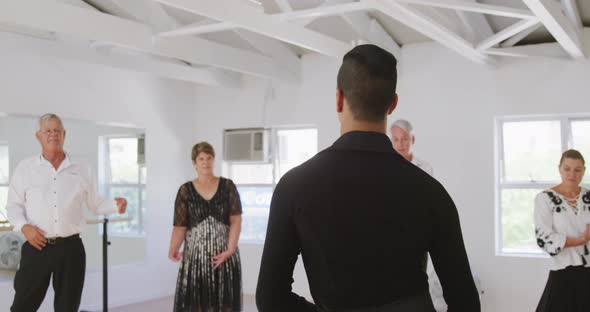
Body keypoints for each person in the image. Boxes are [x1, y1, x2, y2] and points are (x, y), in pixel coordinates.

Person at [256, 44, 479, 312]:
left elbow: (270, 298)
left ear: (338, 99)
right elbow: (465, 301)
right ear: (393, 103)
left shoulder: (293, 186)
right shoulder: (431, 191)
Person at [6, 113, 127, 312]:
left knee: (68, 307)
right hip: (37, 246)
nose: (53, 134)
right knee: (22, 307)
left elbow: (95, 204)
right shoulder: (25, 168)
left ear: (64, 134)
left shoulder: (82, 168)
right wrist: (24, 227)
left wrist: (115, 205)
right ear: (38, 136)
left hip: (71, 249)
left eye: (57, 130)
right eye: (47, 130)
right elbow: (13, 206)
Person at [169, 142, 242, 312]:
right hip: (195, 258)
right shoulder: (185, 190)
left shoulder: (228, 186)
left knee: (225, 301)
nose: (205, 162)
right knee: (197, 302)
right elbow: (180, 226)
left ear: (214, 160)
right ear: (194, 163)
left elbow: (236, 221)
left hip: (223, 254)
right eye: (201, 159)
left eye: (209, 158)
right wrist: (173, 248)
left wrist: (230, 250)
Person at [535, 149, 590, 312]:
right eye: (567, 169)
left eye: (577, 170)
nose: (572, 174)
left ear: (584, 171)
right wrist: (582, 240)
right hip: (562, 272)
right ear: (559, 169)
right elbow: (544, 238)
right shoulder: (544, 198)